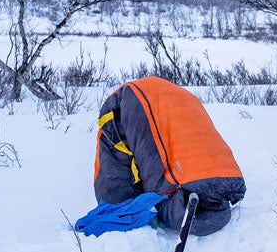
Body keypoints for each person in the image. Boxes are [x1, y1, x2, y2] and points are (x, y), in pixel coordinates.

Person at [86, 75, 245, 237]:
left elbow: (117, 166)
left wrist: (116, 205)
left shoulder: (124, 102)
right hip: (231, 179)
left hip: (184, 184)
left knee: (122, 158)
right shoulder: (185, 97)